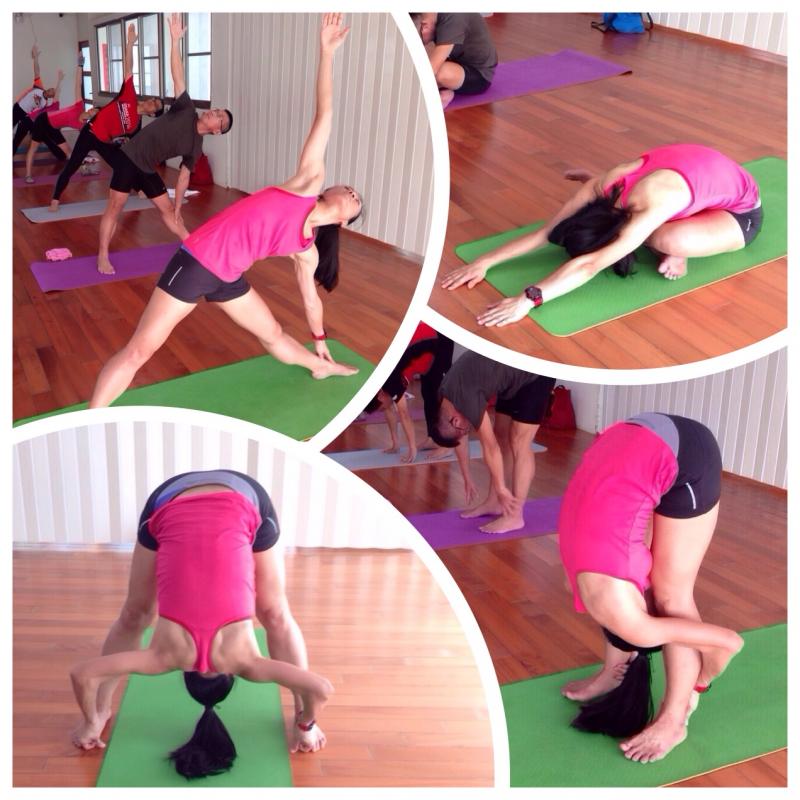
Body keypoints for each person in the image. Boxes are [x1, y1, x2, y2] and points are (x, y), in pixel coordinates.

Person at [88, 13, 359, 409]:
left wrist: (319, 338)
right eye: (349, 187)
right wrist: (327, 54)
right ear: (328, 188)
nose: (351, 192)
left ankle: (320, 366)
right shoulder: (306, 184)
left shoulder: (308, 250)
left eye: (355, 199)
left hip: (229, 276)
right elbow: (325, 115)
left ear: (344, 220)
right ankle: (93, 418)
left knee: (273, 334)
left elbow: (310, 300)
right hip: (198, 261)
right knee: (139, 350)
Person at [70, 470, 331, 775]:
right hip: (203, 497)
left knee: (274, 613)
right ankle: (100, 711)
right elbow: (81, 674)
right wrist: (88, 720)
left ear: (232, 678)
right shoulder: (163, 659)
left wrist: (308, 721)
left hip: (182, 502)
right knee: (272, 613)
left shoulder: (247, 664)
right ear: (185, 675)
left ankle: (303, 720)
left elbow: (321, 688)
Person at [558, 413, 744, 762]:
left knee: (671, 596)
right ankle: (613, 673)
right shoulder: (586, 587)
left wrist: (699, 683)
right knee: (647, 590)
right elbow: (621, 610)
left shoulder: (631, 621)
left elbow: (731, 642)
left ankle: (674, 720)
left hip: (685, 453)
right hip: (631, 440)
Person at [442, 143, 764, 327]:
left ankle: (680, 251)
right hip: (695, 184)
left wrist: (528, 299)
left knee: (667, 241)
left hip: (740, 213)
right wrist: (485, 261)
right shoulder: (602, 185)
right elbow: (546, 232)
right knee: (646, 230)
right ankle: (676, 228)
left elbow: (589, 265)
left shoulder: (651, 204)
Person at [96, 13, 233, 275]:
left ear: (217, 130)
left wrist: (179, 205)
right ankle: (103, 255)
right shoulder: (186, 108)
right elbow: (177, 75)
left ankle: (195, 249)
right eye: (216, 110)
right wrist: (175, 41)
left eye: (219, 116)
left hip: (147, 168)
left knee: (169, 212)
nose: (213, 112)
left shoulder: (195, 147)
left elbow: (183, 178)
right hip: (130, 156)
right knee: (115, 205)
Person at [432, 350, 555, 533]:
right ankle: (494, 502)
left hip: (536, 369)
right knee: (501, 433)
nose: (468, 430)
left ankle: (515, 516)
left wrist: (501, 487)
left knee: (520, 441)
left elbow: (490, 448)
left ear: (455, 421)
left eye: (466, 430)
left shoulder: (466, 399)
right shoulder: (445, 395)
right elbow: (459, 438)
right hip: (511, 372)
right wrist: (466, 477)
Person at [50, 24, 163, 211]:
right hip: (89, 133)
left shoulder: (136, 125)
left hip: (104, 142)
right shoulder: (129, 94)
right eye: (154, 99)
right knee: (72, 165)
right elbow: (128, 68)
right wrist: (130, 44)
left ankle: (139, 188)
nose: (152, 101)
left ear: (152, 114)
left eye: (155, 105)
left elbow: (128, 143)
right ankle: (55, 199)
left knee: (122, 165)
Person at [23, 57, 97, 182]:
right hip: (43, 120)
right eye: (95, 109)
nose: (94, 110)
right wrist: (80, 65)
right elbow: (78, 85)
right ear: (90, 109)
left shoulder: (81, 125)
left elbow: (86, 140)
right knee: (33, 148)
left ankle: (84, 170)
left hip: (53, 128)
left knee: (68, 152)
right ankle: (28, 176)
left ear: (93, 117)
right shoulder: (79, 105)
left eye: (96, 112)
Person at [411, 13, 497, 108]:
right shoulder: (434, 17)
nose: (424, 44)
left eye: (421, 41)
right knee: (428, 68)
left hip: (480, 74)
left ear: (425, 27)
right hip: (457, 62)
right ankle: (446, 90)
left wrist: (409, 90)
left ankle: (447, 91)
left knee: (439, 72)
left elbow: (432, 69)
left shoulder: (453, 18)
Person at [13, 44, 59, 154]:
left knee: (24, 135)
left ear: (51, 96)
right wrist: (36, 58)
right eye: (51, 88)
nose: (50, 90)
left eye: (52, 91)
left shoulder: (44, 104)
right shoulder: (39, 87)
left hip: (26, 116)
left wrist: (38, 103)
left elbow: (37, 114)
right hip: (18, 109)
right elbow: (37, 71)